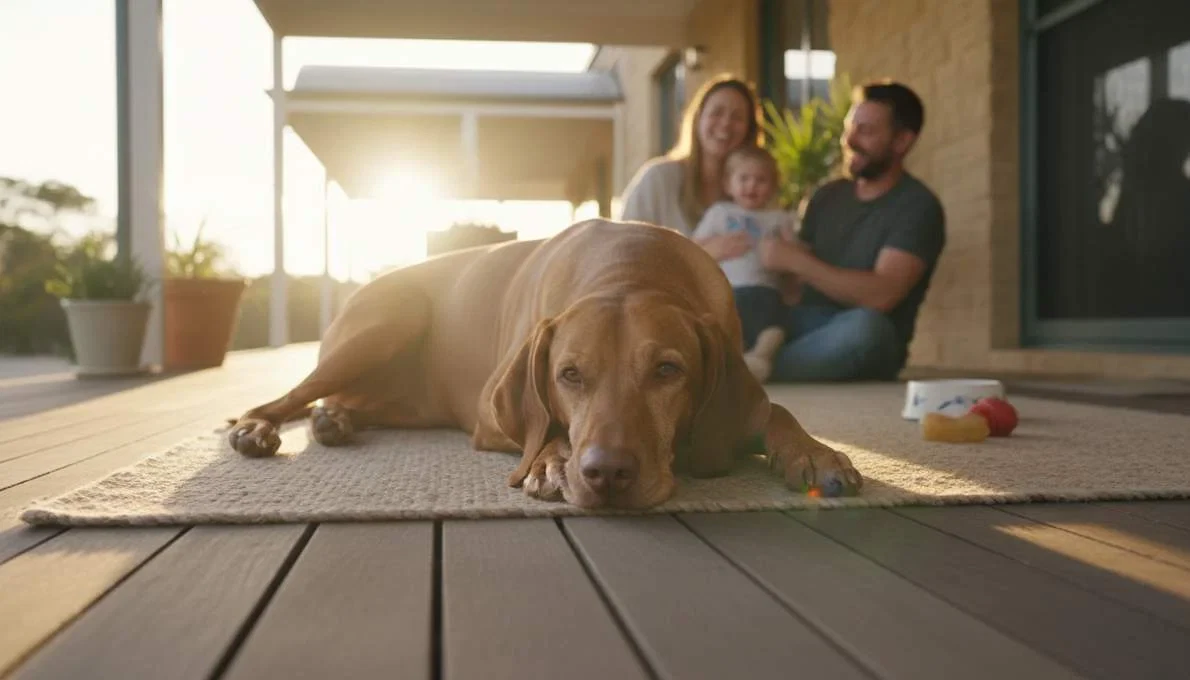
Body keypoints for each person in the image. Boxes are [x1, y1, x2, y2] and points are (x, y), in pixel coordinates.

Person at [756, 80, 946, 382]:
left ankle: (749, 375)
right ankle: (757, 367)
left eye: (866, 131)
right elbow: (792, 286)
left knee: (867, 327)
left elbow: (882, 295)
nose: (850, 140)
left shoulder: (917, 206)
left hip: (864, 336)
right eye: (850, 127)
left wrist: (796, 261)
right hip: (805, 324)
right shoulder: (826, 196)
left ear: (902, 142)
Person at [619, 74, 764, 264]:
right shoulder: (658, 179)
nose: (726, 123)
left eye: (737, 117)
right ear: (698, 119)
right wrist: (700, 253)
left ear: (749, 130)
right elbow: (623, 251)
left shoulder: (758, 190)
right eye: (716, 112)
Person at [690, 145, 798, 382]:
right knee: (723, 328)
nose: (752, 186)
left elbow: (795, 259)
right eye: (744, 178)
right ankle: (735, 362)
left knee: (776, 326)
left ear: (773, 186)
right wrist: (714, 247)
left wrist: (791, 245)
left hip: (767, 292)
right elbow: (692, 248)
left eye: (761, 180)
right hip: (730, 291)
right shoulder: (720, 213)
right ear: (729, 184)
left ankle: (760, 357)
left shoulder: (779, 218)